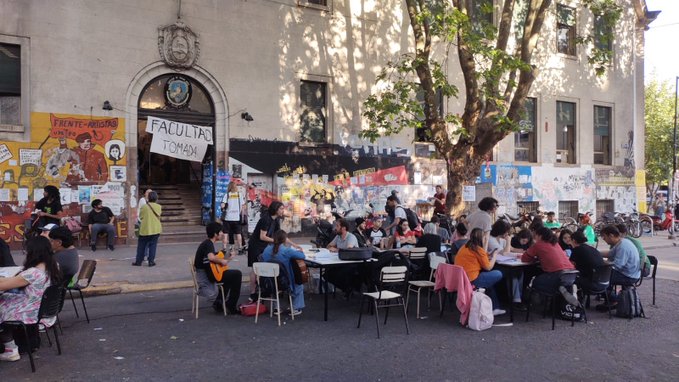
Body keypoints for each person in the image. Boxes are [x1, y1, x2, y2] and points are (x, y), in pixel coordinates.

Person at [0, 236, 61, 362]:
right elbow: (12, 281)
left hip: (30, 311)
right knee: (6, 297)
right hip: (41, 308)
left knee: (2, 303)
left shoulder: (33, 273)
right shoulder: (53, 266)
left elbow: (3, 285)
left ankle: (10, 348)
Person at [247, 202, 300, 301]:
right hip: (256, 246)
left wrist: (294, 244)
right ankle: (253, 293)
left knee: (265, 267)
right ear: (275, 209)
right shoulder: (266, 219)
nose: (282, 211)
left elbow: (281, 236)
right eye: (281, 209)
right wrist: (277, 241)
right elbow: (262, 236)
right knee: (255, 269)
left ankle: (265, 288)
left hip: (265, 247)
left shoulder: (275, 220)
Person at [521, 227, 579, 305]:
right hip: (570, 275)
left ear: (540, 236)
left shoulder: (538, 244)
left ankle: (528, 300)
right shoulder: (556, 244)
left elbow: (524, 258)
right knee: (538, 272)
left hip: (556, 275)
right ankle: (561, 289)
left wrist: (533, 257)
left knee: (535, 280)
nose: (535, 238)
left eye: (535, 236)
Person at [454, 228, 505, 315]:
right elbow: (488, 267)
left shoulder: (464, 247)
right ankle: (494, 307)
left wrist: (488, 255)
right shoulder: (478, 249)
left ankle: (495, 307)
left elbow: (478, 257)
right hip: (472, 280)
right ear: (481, 239)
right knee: (498, 273)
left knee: (489, 282)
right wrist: (495, 255)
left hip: (461, 279)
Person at [193, 222, 242, 315]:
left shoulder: (207, 243)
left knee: (228, 275)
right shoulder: (208, 244)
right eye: (220, 232)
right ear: (215, 234)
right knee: (237, 274)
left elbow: (213, 257)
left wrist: (226, 256)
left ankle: (219, 302)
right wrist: (224, 261)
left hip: (208, 272)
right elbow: (211, 257)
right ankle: (230, 305)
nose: (222, 233)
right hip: (206, 275)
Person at [261, 230, 306, 315]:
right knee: (299, 285)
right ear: (285, 240)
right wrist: (299, 250)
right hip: (284, 282)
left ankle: (276, 308)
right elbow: (302, 256)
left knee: (274, 282)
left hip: (268, 281)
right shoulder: (287, 250)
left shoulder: (267, 249)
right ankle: (295, 308)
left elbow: (262, 258)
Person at [488, 220, 526, 310]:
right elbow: (505, 252)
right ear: (501, 231)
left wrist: (523, 251)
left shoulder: (501, 239)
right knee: (513, 274)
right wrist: (508, 241)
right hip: (494, 265)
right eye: (506, 231)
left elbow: (511, 249)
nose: (507, 233)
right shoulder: (491, 239)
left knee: (520, 271)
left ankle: (518, 297)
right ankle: (515, 300)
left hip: (505, 263)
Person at [599, 225, 641, 303]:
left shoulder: (623, 246)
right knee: (603, 274)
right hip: (628, 272)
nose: (604, 239)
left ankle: (615, 300)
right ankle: (610, 298)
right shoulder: (621, 242)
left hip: (628, 276)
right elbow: (610, 254)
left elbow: (617, 265)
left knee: (602, 278)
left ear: (611, 236)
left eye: (604, 237)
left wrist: (600, 262)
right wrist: (596, 253)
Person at [133, 191, 162, 267]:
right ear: (156, 198)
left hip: (145, 229)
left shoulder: (144, 207)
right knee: (153, 246)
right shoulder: (159, 207)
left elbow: (141, 216)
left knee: (141, 246)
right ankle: (151, 262)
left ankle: (138, 261)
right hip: (156, 229)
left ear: (148, 198)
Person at [220, 182, 247, 252]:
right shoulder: (239, 195)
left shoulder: (227, 195)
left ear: (229, 187)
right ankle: (240, 248)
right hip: (236, 218)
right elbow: (243, 206)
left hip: (227, 218)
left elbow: (222, 205)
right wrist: (239, 211)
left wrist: (223, 207)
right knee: (238, 233)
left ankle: (224, 248)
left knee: (225, 234)